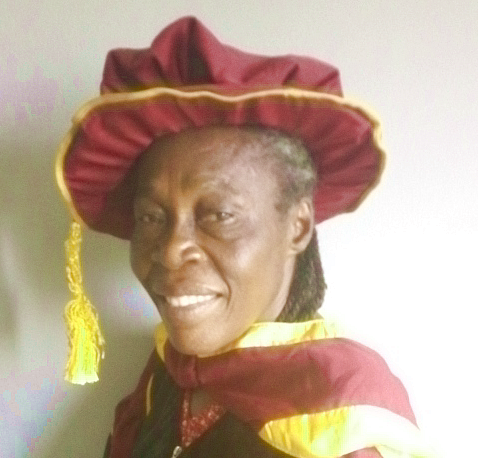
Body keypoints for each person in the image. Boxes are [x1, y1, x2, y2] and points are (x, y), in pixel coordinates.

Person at [55, 17, 435, 458]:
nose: (171, 251)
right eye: (151, 217)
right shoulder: (167, 375)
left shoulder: (338, 425)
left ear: (297, 226)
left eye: (219, 215)